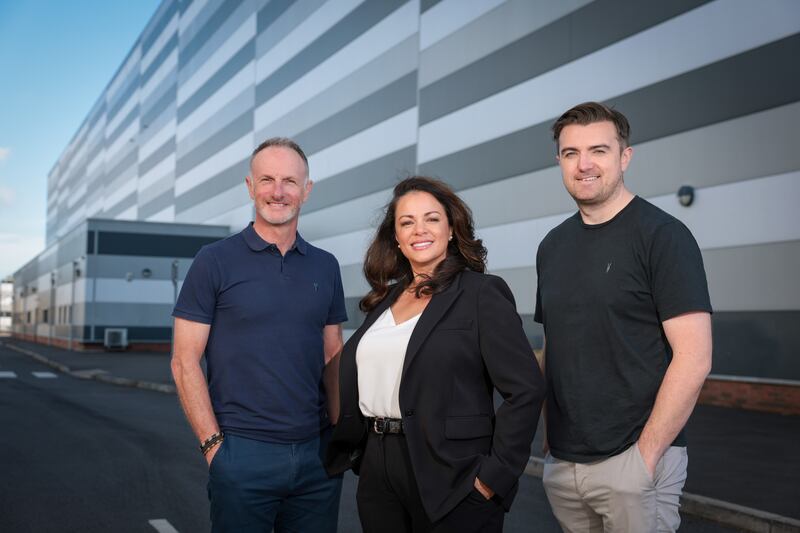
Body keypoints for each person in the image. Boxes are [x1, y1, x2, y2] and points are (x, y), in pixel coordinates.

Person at [326, 176, 545, 532]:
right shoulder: (385, 301)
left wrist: (493, 477)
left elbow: (526, 390)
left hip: (453, 473)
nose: (419, 230)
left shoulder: (481, 294)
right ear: (395, 237)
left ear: (451, 228)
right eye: (406, 222)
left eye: (431, 218)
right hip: (379, 468)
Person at [535, 102, 713, 532]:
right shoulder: (552, 246)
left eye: (598, 150)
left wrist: (645, 458)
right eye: (570, 153)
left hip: (634, 461)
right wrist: (549, 446)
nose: (584, 165)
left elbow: (694, 356)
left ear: (624, 156)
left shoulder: (663, 236)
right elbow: (554, 349)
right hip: (564, 464)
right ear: (559, 160)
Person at [170, 137, 347, 532]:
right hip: (242, 454)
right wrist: (214, 447)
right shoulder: (213, 261)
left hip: (316, 457)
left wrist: (340, 436)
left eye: (289, 180)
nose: (278, 191)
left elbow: (332, 352)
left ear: (307, 190)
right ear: (250, 187)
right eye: (266, 179)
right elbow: (184, 360)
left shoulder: (326, 266)